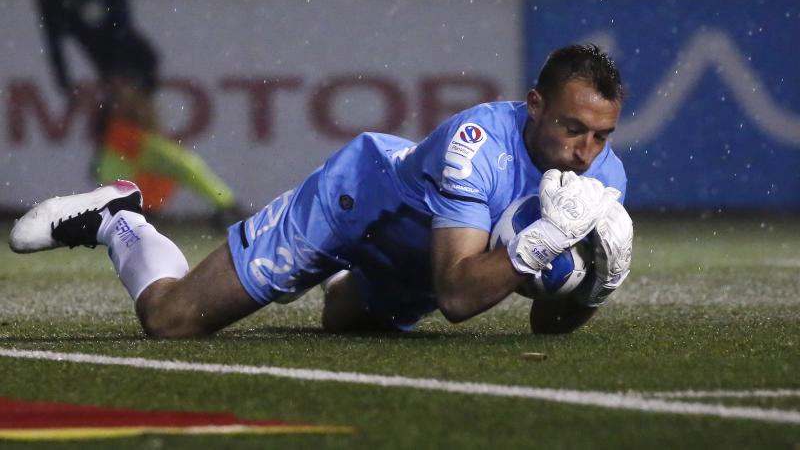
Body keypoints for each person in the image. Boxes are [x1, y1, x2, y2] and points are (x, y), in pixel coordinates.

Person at [9, 44, 634, 337]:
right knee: (172, 320)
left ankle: (332, 281)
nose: (584, 151)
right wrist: (544, 240)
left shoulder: (605, 182)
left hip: (423, 254)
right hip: (356, 205)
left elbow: (547, 326)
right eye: (570, 127)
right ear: (533, 106)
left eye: (600, 136)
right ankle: (118, 218)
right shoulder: (478, 144)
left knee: (344, 325)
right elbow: (458, 298)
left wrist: (588, 291)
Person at [35, 0, 238, 221]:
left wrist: (121, 74)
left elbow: (123, 23)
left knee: (121, 142)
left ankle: (213, 203)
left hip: (136, 64)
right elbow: (54, 44)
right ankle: (178, 204)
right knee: (138, 144)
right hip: (111, 73)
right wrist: (65, 84)